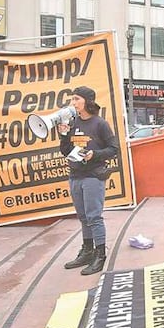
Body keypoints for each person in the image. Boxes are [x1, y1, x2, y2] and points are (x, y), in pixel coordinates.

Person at [59, 86, 120, 276]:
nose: (73, 102)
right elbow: (65, 150)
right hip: (75, 175)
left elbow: (114, 148)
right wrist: (63, 135)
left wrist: (94, 155)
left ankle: (100, 254)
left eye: (76, 99)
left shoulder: (100, 124)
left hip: (93, 176)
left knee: (94, 217)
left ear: (87, 101)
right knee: (83, 217)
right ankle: (87, 251)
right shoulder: (73, 122)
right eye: (73, 99)